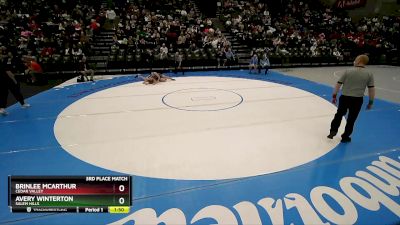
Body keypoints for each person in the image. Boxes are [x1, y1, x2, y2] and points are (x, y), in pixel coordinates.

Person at [327, 54, 375, 143]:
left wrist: (334, 95)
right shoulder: (369, 74)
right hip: (357, 100)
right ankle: (345, 136)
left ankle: (333, 130)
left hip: (345, 97)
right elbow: (371, 89)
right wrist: (371, 102)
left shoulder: (348, 71)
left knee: (339, 114)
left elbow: (338, 84)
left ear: (359, 60)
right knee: (351, 119)